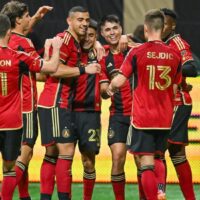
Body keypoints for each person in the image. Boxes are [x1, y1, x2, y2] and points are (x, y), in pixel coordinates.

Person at [106, 9, 182, 200]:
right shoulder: (175, 54)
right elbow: (175, 88)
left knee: (146, 163)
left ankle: (152, 195)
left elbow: (120, 80)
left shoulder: (137, 52)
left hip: (143, 118)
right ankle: (161, 190)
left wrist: (111, 88)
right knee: (159, 157)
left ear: (146, 28)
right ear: (162, 27)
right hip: (164, 118)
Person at [37, 6, 101, 200]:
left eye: (86, 20)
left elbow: (43, 72)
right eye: (80, 20)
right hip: (57, 101)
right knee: (66, 152)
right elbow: (54, 70)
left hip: (55, 102)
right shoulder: (65, 40)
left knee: (52, 154)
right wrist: (84, 70)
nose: (84, 23)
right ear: (69, 21)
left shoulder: (74, 42)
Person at [0, 13, 62, 200]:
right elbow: (50, 68)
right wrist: (56, 47)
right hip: (15, 116)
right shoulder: (19, 55)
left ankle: (24, 196)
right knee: (14, 164)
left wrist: (34, 18)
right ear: (10, 30)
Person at [161, 8, 197, 200]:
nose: (160, 26)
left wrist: (169, 68)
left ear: (172, 26)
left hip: (177, 103)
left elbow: (192, 67)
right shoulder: (156, 44)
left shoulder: (177, 42)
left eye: (164, 23)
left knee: (159, 150)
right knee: (177, 154)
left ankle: (159, 194)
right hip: (162, 104)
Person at [99, 14, 134, 200]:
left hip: (140, 115)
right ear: (103, 35)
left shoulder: (134, 47)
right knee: (118, 156)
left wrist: (128, 38)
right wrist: (110, 89)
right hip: (118, 114)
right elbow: (104, 93)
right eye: (107, 30)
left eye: (115, 28)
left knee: (142, 160)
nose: (112, 32)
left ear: (121, 28)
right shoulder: (102, 57)